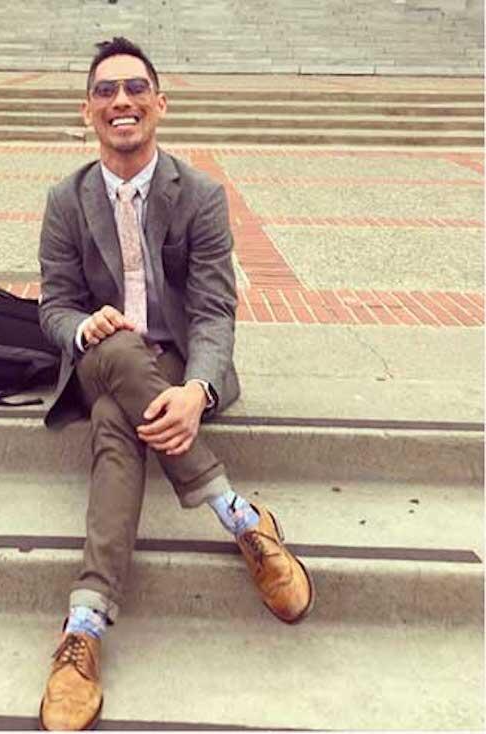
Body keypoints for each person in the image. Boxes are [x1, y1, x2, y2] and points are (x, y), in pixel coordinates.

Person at [37, 37, 315, 730]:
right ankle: (239, 517)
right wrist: (81, 327)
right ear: (88, 111)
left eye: (134, 89)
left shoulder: (199, 196)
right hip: (103, 356)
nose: (120, 101)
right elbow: (53, 308)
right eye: (105, 92)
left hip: (173, 368)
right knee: (121, 352)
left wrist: (196, 392)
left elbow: (216, 308)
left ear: (159, 104)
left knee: (115, 425)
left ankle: (84, 626)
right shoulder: (66, 200)